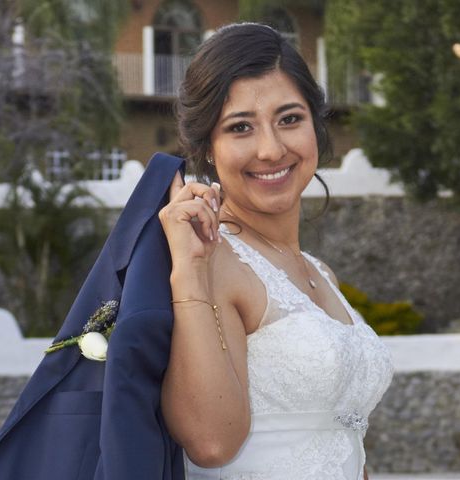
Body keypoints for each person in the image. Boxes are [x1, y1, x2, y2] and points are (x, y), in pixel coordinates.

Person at [158, 23, 394, 480]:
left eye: (289, 119)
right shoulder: (211, 262)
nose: (271, 149)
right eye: (240, 127)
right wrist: (188, 271)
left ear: (315, 126)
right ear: (208, 147)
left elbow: (339, 438)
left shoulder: (320, 272)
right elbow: (210, 443)